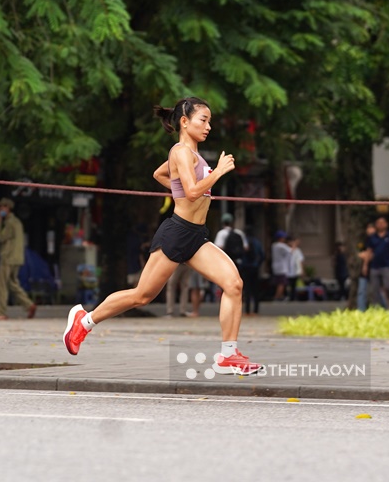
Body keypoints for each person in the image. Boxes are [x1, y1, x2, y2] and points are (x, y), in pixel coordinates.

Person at [62, 97, 263, 375]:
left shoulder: (193, 155)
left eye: (209, 122)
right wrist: (216, 173)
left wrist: (179, 189)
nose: (208, 127)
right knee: (141, 296)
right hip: (177, 233)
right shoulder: (181, 151)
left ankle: (228, 356)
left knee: (234, 284)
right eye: (203, 120)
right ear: (184, 121)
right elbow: (192, 192)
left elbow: (159, 174)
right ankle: (84, 321)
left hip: (196, 236)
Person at [0, 197, 37, 320]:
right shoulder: (17, 222)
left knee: (1, 285)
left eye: (2, 207)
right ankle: (29, 304)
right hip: (17, 258)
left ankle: (0, 312)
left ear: (8, 208)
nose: (0, 209)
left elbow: (0, 238)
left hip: (8, 257)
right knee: (12, 283)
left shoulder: (10, 223)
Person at [366, 216, 389, 309]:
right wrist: (365, 265)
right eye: (378, 222)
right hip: (374, 266)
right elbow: (369, 251)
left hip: (387, 266)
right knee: (374, 290)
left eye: (382, 222)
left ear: (386, 224)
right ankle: (376, 308)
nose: (380, 224)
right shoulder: (372, 237)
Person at [241, 226, 265, 315]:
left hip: (245, 267)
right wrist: (258, 264)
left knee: (247, 289)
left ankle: (247, 310)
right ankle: (255, 310)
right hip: (255, 268)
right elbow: (262, 255)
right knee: (255, 290)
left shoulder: (244, 242)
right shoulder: (257, 242)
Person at [271, 230, 290, 301]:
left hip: (276, 267)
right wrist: (294, 245)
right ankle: (277, 296)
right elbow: (290, 251)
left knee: (279, 282)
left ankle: (280, 295)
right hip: (282, 268)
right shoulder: (281, 246)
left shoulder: (274, 245)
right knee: (281, 283)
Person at [287, 235, 304, 301]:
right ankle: (288, 296)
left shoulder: (298, 251)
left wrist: (302, 270)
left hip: (295, 271)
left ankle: (293, 297)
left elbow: (300, 260)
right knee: (288, 284)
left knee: (293, 284)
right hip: (287, 270)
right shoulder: (286, 249)